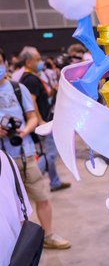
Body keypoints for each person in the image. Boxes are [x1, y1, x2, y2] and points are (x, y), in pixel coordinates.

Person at [0, 48, 70, 249]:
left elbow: (31, 116)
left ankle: (48, 235)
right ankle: (16, 247)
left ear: (5, 63)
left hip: (25, 153)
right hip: (2, 159)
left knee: (41, 196)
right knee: (9, 206)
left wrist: (24, 132)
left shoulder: (17, 88)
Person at [17, 46, 71, 194]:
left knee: (49, 153)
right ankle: (29, 181)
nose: (40, 62)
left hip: (45, 121)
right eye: (37, 59)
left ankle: (55, 181)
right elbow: (32, 102)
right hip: (44, 123)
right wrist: (40, 120)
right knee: (50, 155)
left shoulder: (30, 78)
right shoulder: (30, 80)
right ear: (28, 62)